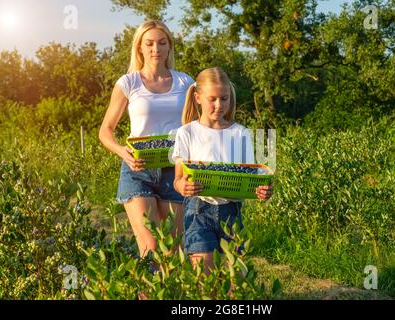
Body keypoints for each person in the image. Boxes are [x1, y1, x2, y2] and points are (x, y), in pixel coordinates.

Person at [99, 20, 194, 261]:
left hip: (176, 171)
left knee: (171, 249)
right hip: (137, 170)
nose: (156, 49)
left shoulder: (185, 82)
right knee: (151, 248)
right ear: (139, 47)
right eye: (149, 43)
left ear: (169, 47)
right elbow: (105, 131)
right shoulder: (128, 83)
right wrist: (123, 152)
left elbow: (198, 126)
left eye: (162, 43)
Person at [172, 67, 273, 274]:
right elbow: (178, 180)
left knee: (235, 282)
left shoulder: (241, 133)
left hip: (232, 212)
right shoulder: (187, 133)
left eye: (224, 99)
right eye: (213, 99)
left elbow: (252, 178)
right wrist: (184, 186)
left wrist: (262, 191)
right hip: (198, 210)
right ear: (198, 97)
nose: (219, 105)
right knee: (204, 279)